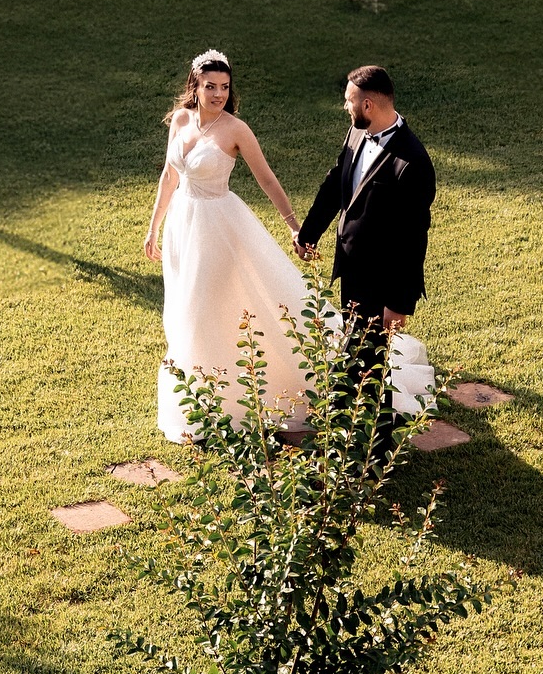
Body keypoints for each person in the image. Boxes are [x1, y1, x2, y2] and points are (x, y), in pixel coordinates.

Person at [145, 50, 311, 443]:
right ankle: (199, 401)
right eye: (210, 87)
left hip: (216, 227)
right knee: (184, 310)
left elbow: (267, 180)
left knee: (199, 309)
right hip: (181, 228)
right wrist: (154, 227)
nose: (219, 94)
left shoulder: (236, 130)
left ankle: (217, 405)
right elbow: (170, 176)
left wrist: (294, 228)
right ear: (195, 86)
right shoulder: (182, 121)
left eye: (224, 87)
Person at [295, 64, 436, 427]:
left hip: (383, 280)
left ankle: (372, 442)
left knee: (370, 360)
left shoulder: (413, 163)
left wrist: (399, 303)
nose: (346, 107)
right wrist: (309, 233)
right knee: (357, 352)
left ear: (369, 105)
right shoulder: (358, 133)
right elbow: (333, 187)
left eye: (349, 101)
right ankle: (349, 429)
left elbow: (412, 241)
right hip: (352, 269)